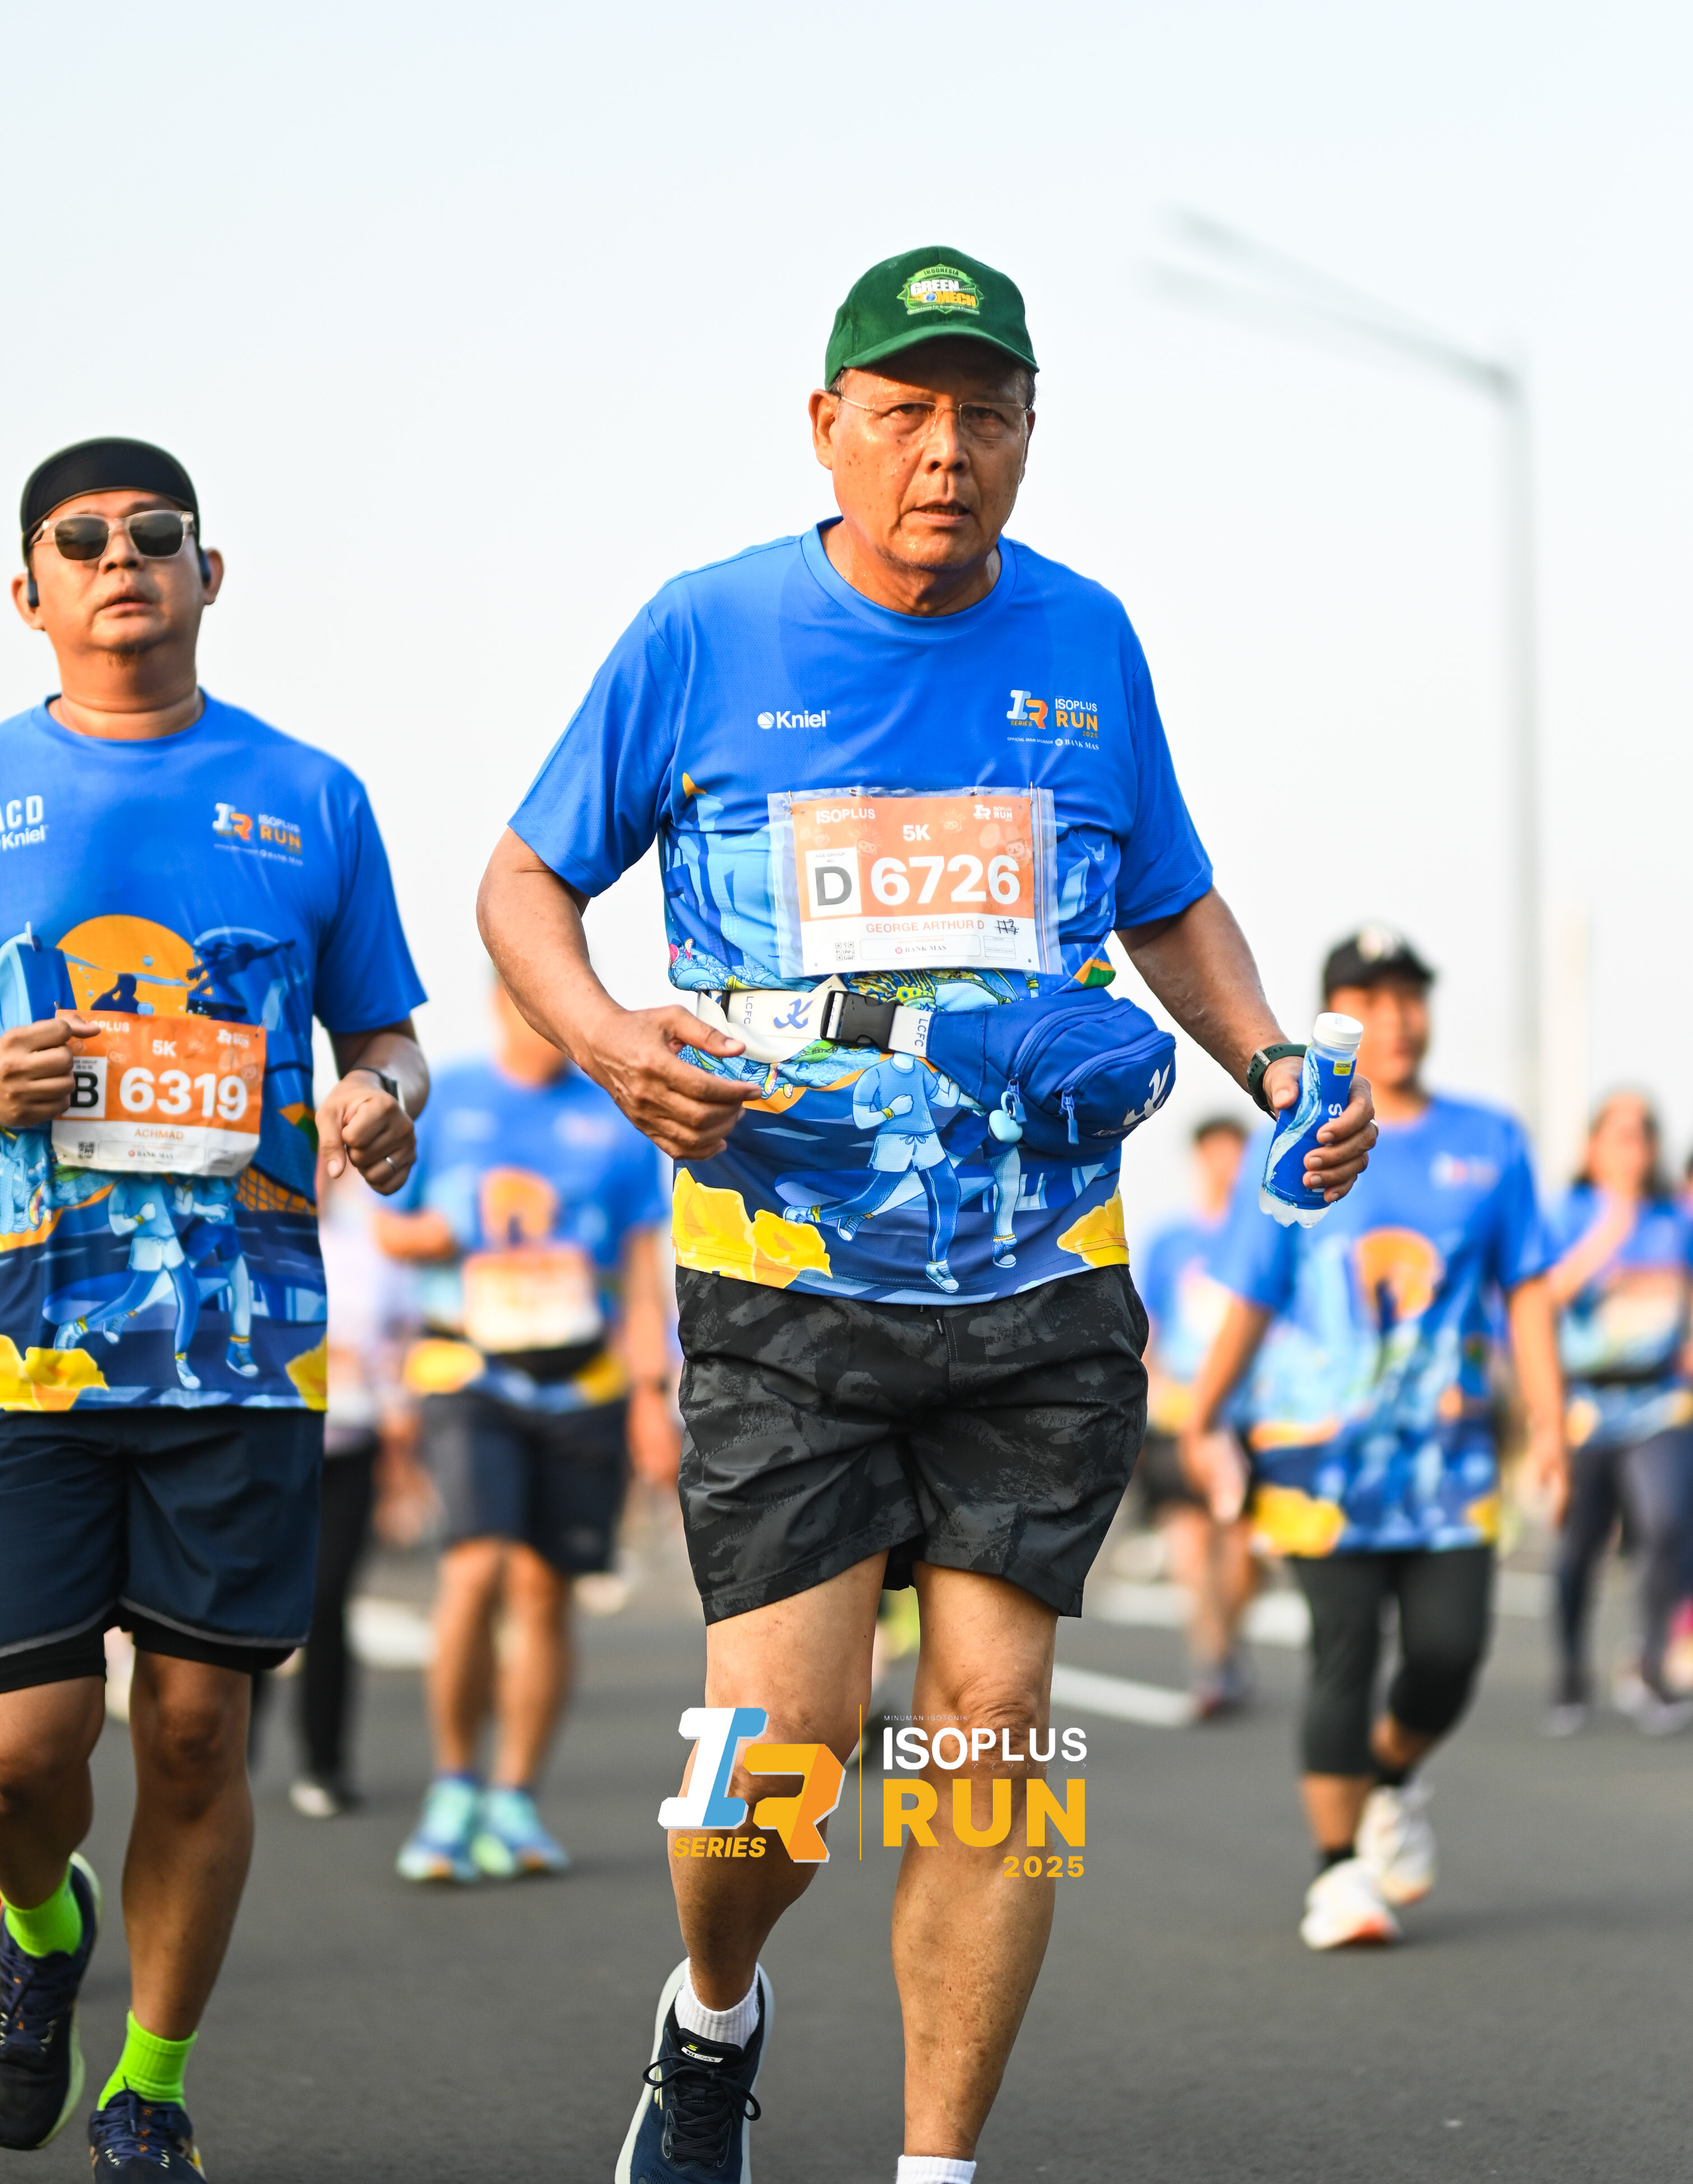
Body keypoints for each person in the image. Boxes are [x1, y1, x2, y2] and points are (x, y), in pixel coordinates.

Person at [475, 246, 1376, 2182]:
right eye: (903, 412)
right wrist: (607, 1041)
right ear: (828, 426)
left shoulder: (1088, 637)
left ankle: (935, 2164)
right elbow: (525, 884)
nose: (944, 450)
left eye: (985, 413)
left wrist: (1270, 1061)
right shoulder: (705, 630)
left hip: (1043, 1289)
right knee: (776, 1765)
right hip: (781, 1284)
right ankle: (713, 2011)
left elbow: (1168, 897)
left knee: (996, 1732)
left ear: (1031, 430)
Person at [0, 439, 427, 2178]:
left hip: (240, 1345)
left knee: (190, 1733)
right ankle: (42, 1932)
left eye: (155, 534)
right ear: (29, 590)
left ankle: (150, 2090)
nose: (124, 559)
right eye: (82, 539)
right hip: (21, 1346)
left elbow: (386, 1032)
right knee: (23, 1757)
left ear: (208, 572)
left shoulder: (310, 794)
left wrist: (384, 1100)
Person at [1187, 926, 1566, 1952]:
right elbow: (1253, 1292)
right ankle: (1337, 1872)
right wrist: (1205, 1413)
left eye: (1408, 997)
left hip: (1449, 1463)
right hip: (1318, 1457)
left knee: (1449, 1653)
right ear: (1337, 1020)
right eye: (1369, 999)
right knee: (1342, 1652)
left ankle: (1390, 1780)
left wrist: (1551, 1427)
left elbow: (1528, 1288)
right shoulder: (1297, 1138)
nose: (1394, 1018)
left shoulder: (1489, 1142)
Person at [377, 977, 678, 1884]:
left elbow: (641, 1266)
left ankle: (514, 1798)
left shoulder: (615, 1114)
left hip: (580, 1379)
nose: (546, 1032)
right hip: (469, 1369)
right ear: (501, 1005)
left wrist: (652, 1395)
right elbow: (391, 1231)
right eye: (530, 1011)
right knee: (476, 1566)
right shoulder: (452, 1097)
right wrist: (468, 1225)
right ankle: (453, 1787)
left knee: (545, 1591)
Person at [250, 1162, 419, 1817]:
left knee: (327, 1602)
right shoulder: (243, 1237)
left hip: (350, 1445)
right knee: (251, 1599)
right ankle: (230, 1754)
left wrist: (401, 1435)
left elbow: (403, 1339)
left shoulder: (373, 1246)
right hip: (263, 1445)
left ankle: (325, 1763)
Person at [1545, 1091, 1693, 1735]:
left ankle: (1652, 1668)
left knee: (1666, 1525)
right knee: (1578, 1548)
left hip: (1660, 1402)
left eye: (1642, 1133)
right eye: (1618, 1133)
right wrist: (1612, 1225)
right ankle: (1570, 1672)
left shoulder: (1674, 1220)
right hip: (1585, 1407)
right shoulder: (1567, 1214)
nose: (1633, 1146)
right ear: (1593, 1146)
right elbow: (1543, 1298)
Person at [1136, 1116, 1259, 1714]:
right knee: (1189, 1542)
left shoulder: (1263, 1236)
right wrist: (1153, 1386)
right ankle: (1213, 1662)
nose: (1225, 1165)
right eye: (1215, 1153)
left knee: (1244, 1551)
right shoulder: (1170, 1242)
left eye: (1236, 1154)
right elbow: (1149, 1325)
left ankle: (1227, 1642)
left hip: (1249, 1411)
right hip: (1180, 1414)